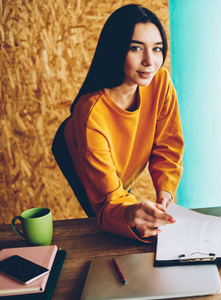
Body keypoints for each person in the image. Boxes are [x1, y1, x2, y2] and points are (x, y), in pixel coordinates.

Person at [64, 4, 183, 242]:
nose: (150, 61)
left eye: (157, 48)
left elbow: (168, 145)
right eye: (136, 48)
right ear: (116, 50)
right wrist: (131, 213)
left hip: (125, 177)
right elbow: (108, 201)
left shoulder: (160, 81)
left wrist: (165, 191)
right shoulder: (90, 112)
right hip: (99, 178)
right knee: (115, 224)